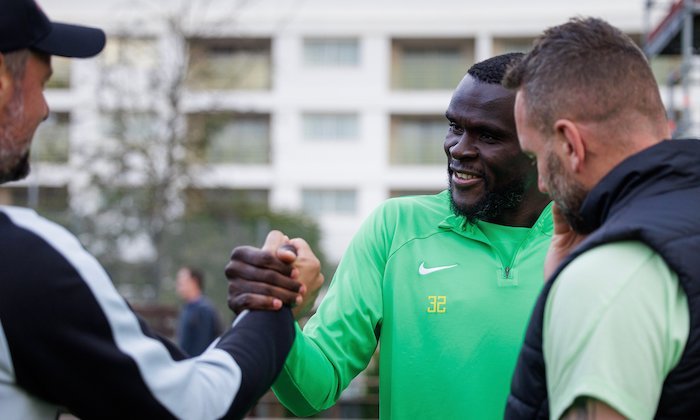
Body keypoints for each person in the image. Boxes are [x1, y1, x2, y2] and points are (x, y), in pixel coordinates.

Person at [0, 1, 307, 418]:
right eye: (43, 83)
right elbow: (196, 407)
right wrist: (274, 304)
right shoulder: (23, 262)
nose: (45, 109)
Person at [226, 53, 553, 418]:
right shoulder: (394, 227)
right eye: (455, 127)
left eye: (488, 135)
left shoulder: (587, 242)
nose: (458, 148)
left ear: (542, 146)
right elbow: (311, 392)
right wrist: (275, 312)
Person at [503, 17, 699, 419]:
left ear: (572, 144)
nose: (540, 182)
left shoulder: (611, 276)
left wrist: (581, 280)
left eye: (536, 156)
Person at [175, 266, 223, 356]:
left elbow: (202, 346)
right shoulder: (187, 308)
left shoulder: (204, 310)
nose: (179, 285)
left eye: (182, 282)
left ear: (194, 281)